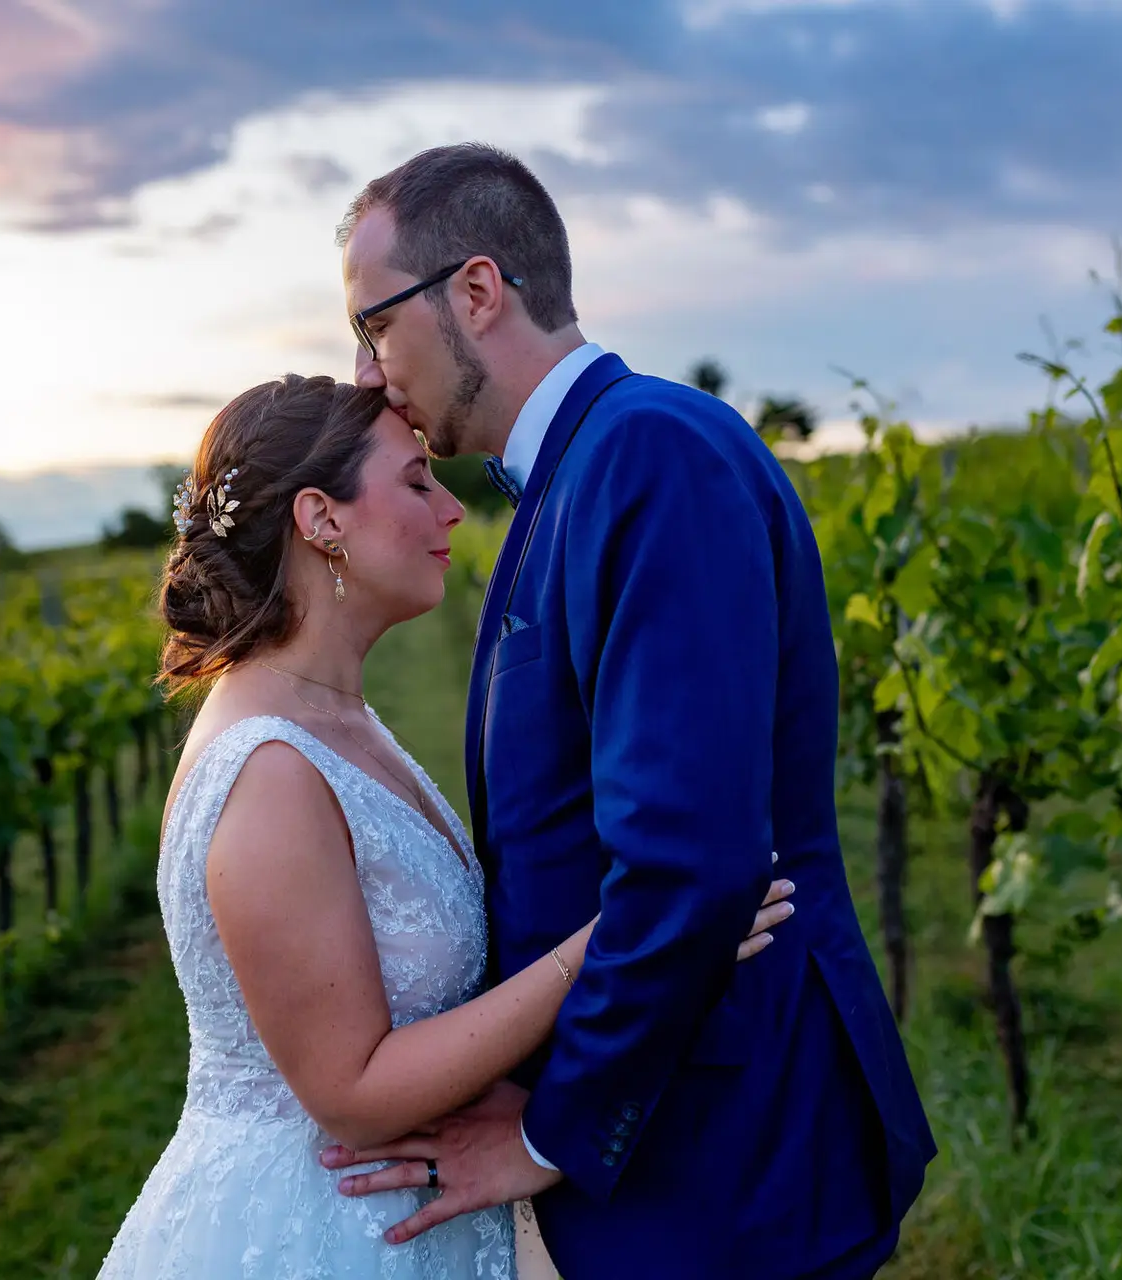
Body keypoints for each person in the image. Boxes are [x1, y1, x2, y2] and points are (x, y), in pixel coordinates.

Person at [317, 143, 937, 1279]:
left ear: (476, 290)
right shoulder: (574, 474)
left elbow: (692, 860)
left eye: (374, 325)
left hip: (728, 1161)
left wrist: (555, 1129)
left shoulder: (649, 454)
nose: (366, 372)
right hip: (678, 1145)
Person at [92, 373, 793, 1279]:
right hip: (314, 1231)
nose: (451, 510)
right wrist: (625, 935)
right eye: (416, 481)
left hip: (398, 1216)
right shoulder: (269, 770)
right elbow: (351, 1094)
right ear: (322, 518)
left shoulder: (337, 721)